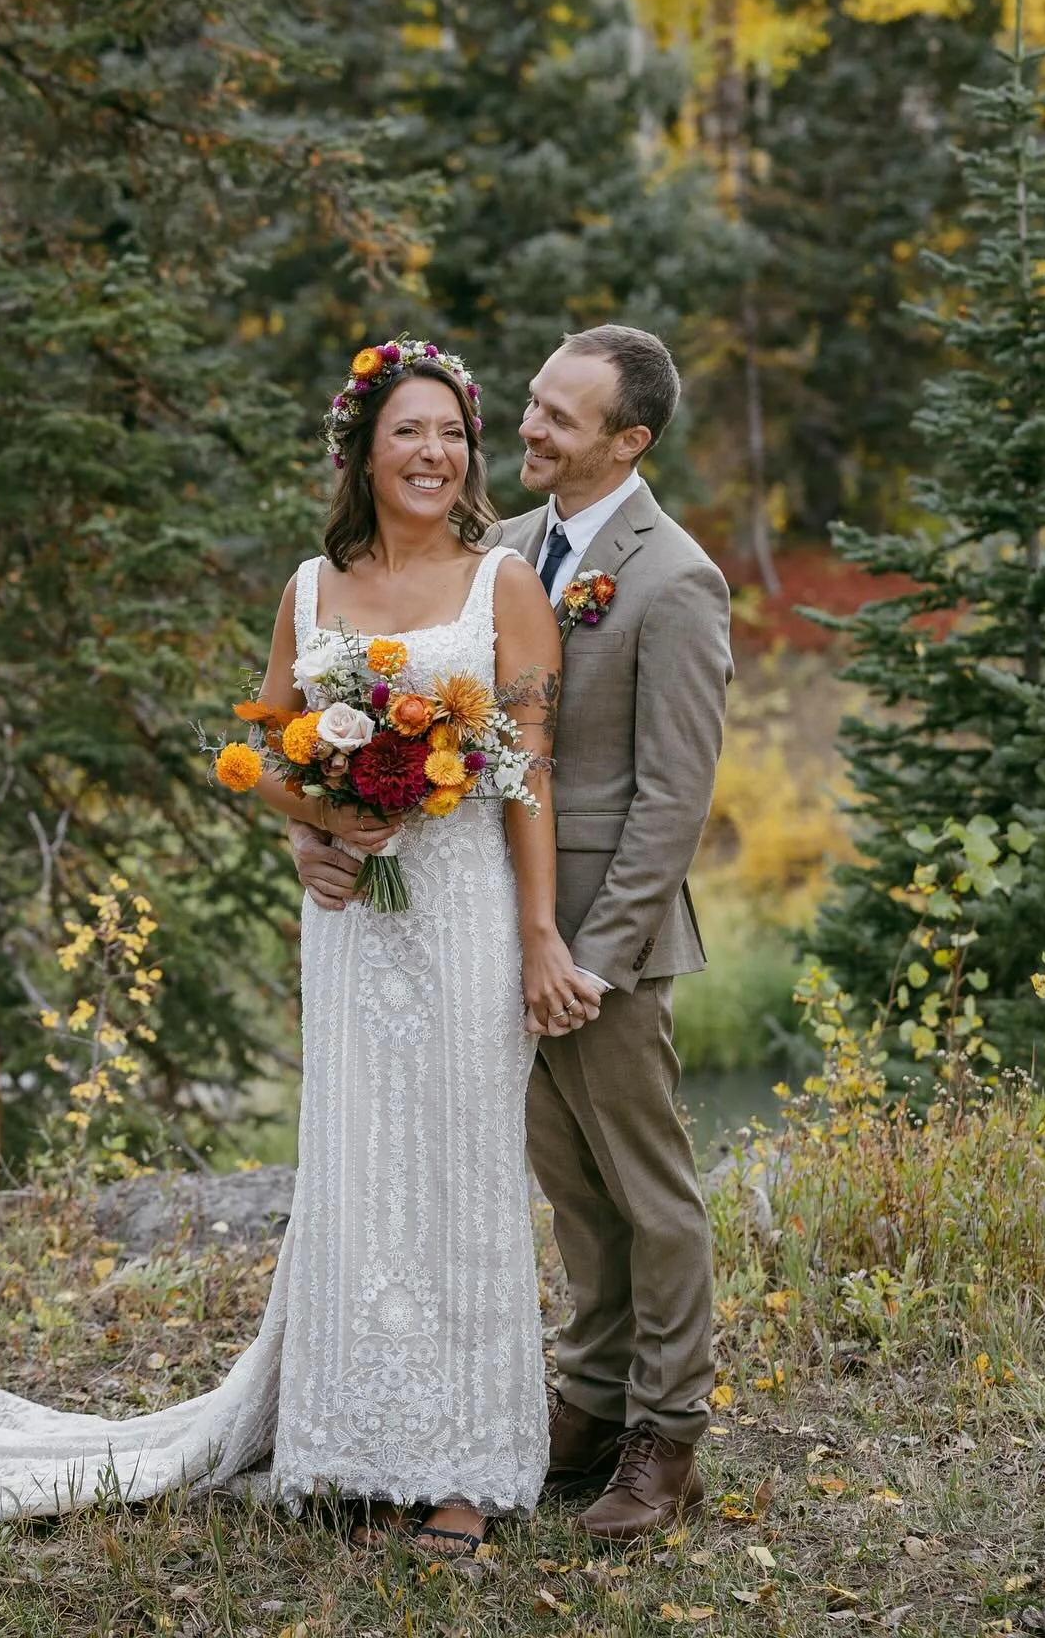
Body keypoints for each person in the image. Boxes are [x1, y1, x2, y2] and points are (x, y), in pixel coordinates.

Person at [0, 341, 600, 1546]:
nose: (435, 454)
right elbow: (262, 748)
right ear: (365, 450)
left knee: (460, 1174)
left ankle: (459, 1467)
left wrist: (536, 936)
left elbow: (531, 779)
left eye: (453, 433)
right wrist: (317, 826)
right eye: (408, 432)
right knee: (358, 1173)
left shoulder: (502, 584)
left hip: (461, 924)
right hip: (355, 924)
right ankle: (362, 1447)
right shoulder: (312, 588)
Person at [293, 324, 732, 1543]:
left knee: (649, 1193)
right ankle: (588, 1405)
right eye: (530, 406)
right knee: (568, 1188)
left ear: (628, 441)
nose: (525, 429)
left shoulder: (676, 576)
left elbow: (672, 798)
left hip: (598, 946)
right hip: (481, 931)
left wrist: (588, 954)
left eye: (558, 417)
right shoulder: (517, 549)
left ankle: (667, 1435)